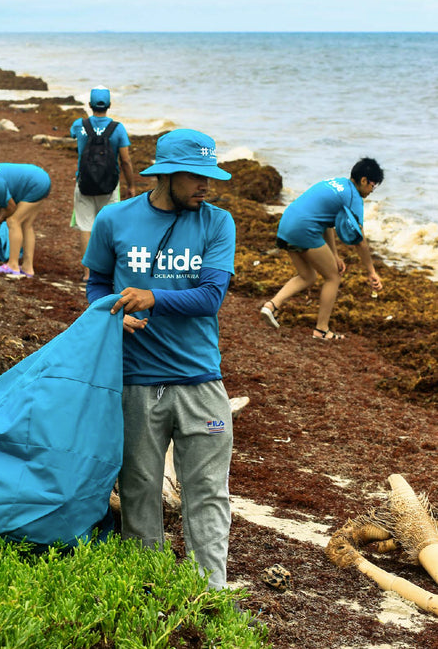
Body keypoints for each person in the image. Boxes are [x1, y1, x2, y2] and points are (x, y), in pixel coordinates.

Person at [83, 129, 236, 590]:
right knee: (139, 490)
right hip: (134, 380)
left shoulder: (217, 222)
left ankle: (209, 592)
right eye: (197, 177)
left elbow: (211, 296)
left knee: (208, 493)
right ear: (167, 174)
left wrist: (152, 298)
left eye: (211, 176)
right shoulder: (113, 220)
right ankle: (143, 586)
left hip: (200, 380)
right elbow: (96, 285)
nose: (207, 186)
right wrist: (113, 316)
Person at [261, 157, 384, 339]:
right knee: (333, 277)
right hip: (304, 229)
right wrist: (371, 271)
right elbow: (360, 241)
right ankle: (322, 330)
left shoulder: (336, 183)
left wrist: (334, 255)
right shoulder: (354, 197)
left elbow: (327, 223)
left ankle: (271, 306)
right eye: (373, 185)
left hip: (287, 224)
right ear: (364, 180)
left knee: (307, 276)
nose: (372, 190)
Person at [70, 85, 135, 284]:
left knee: (86, 227)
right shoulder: (118, 129)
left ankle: (88, 274)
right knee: (108, 228)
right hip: (110, 185)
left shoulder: (79, 125)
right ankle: (107, 272)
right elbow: (125, 160)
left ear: (89, 105)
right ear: (109, 105)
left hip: (84, 183)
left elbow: (74, 135)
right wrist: (131, 185)